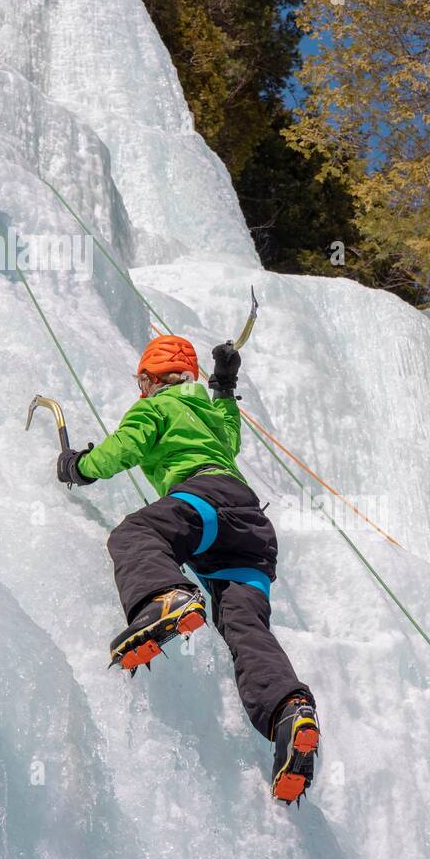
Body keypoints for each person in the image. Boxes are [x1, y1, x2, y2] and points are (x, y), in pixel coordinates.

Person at [56, 333, 320, 803]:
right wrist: (224, 384)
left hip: (204, 503)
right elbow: (232, 434)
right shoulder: (212, 413)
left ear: (150, 379)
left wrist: (79, 467)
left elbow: (122, 449)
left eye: (142, 381)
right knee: (245, 627)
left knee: (134, 535)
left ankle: (165, 598)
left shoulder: (154, 408)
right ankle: (288, 711)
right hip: (252, 532)